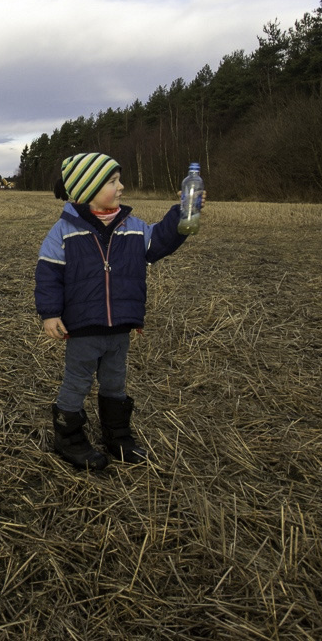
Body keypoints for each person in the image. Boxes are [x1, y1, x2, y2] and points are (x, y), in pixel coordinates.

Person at [34, 152, 202, 470]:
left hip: (120, 326)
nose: (122, 186)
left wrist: (184, 212)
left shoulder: (133, 227)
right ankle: (67, 438)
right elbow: (48, 273)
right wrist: (50, 312)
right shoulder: (64, 231)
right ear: (88, 190)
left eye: (119, 179)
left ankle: (117, 436)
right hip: (83, 328)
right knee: (77, 382)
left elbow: (160, 242)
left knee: (115, 383)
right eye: (113, 181)